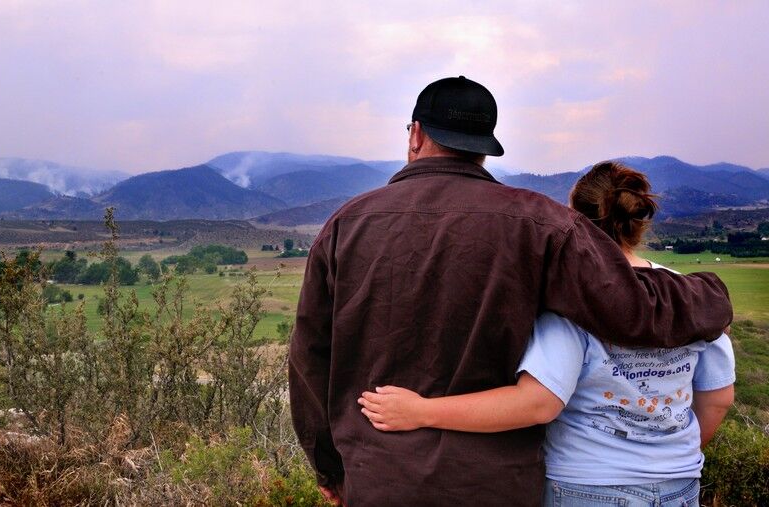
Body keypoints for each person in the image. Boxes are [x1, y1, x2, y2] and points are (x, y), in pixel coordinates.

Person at [289, 76, 733, 507]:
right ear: (485, 148)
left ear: (416, 135)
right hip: (495, 483)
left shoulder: (346, 225)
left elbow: (310, 358)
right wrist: (710, 295)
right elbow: (633, 311)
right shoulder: (542, 225)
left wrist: (331, 470)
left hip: (381, 475)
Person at [358, 161, 736, 506]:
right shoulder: (693, 297)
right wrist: (669, 458)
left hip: (587, 485)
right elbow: (719, 397)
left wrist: (421, 412)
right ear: (639, 220)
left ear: (575, 221)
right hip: (680, 484)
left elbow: (538, 404)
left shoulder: (573, 300)